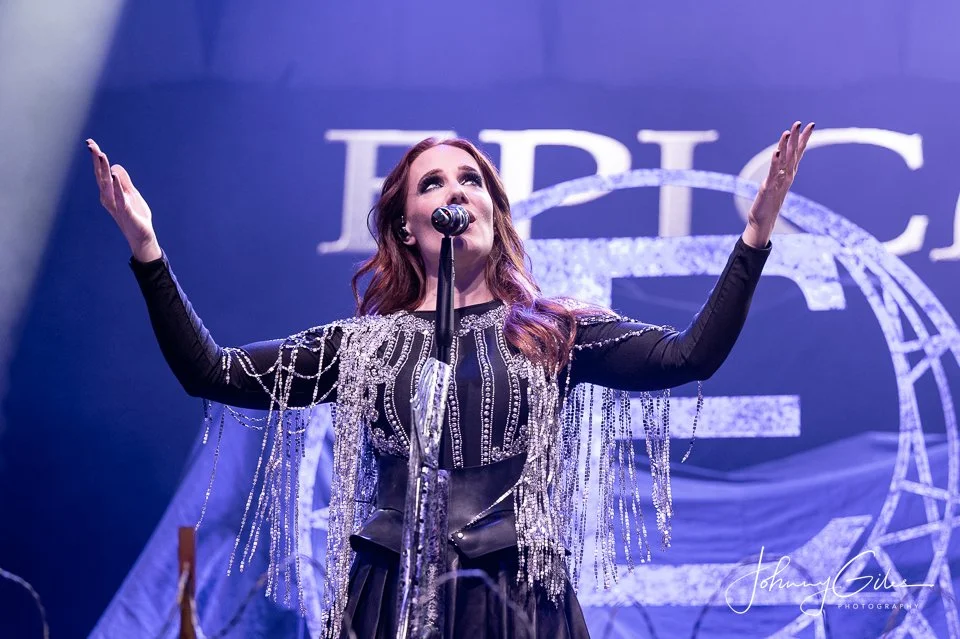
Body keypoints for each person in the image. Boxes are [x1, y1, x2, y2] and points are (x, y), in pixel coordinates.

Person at [86, 121, 813, 638]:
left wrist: (754, 237)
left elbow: (689, 356)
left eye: (471, 179)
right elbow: (211, 371)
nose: (456, 191)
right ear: (408, 226)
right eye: (432, 182)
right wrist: (147, 250)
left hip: (516, 597)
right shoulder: (363, 346)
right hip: (387, 594)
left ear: (492, 210)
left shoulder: (552, 330)